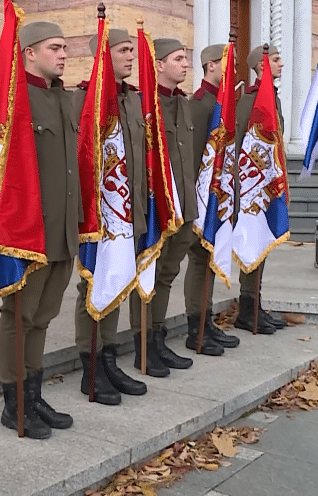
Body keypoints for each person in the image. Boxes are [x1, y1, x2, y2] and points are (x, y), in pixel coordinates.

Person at [0, 21, 80, 439]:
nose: (63, 54)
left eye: (64, 47)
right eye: (54, 48)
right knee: (19, 316)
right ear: (29, 52)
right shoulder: (15, 99)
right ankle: (15, 403)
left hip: (63, 229)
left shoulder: (64, 100)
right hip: (29, 231)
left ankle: (34, 392)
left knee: (43, 317)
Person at [74, 28, 148, 406]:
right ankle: (90, 367)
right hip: (97, 214)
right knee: (92, 286)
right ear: (104, 55)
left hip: (126, 211)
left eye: (132, 51)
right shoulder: (84, 99)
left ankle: (109, 358)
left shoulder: (132, 100)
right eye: (123, 50)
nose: (131, 57)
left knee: (118, 281)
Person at [127, 38, 199, 376]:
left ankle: (158, 338)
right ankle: (143, 343)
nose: (185, 65)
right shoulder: (145, 104)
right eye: (178, 59)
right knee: (148, 275)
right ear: (158, 65)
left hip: (183, 204)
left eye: (186, 59)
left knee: (167, 274)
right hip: (157, 208)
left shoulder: (182, 104)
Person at [184, 43, 242, 354]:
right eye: (226, 65)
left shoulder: (221, 102)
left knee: (207, 262)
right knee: (198, 261)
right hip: (200, 199)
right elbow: (195, 159)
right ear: (210, 66)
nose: (232, 72)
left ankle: (206, 323)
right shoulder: (198, 104)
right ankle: (195, 329)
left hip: (216, 198)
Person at [232, 43, 286, 335]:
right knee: (252, 244)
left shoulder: (272, 98)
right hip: (251, 188)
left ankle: (255, 306)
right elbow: (239, 144)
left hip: (268, 186)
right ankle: (247, 310)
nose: (282, 64)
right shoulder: (248, 100)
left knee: (262, 245)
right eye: (276, 60)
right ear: (262, 66)